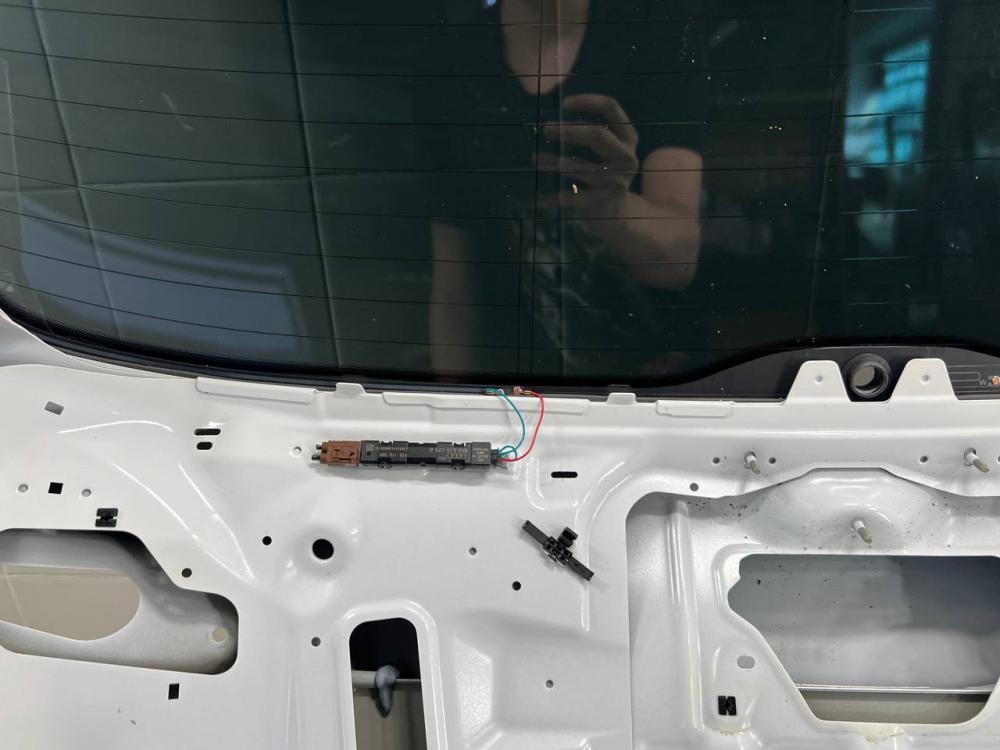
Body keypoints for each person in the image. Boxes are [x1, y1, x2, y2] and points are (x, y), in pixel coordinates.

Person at [428, 0, 704, 377]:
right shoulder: (450, 63)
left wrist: (614, 208)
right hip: (519, 389)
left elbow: (678, 262)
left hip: (649, 382)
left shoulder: (660, 33)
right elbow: (454, 288)